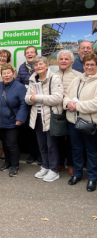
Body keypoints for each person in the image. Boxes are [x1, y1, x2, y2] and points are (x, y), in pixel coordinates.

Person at [25, 56, 64, 182]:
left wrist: (37, 98)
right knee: (41, 145)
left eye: (40, 64)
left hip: (50, 116)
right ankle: (46, 167)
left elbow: (57, 98)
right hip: (37, 116)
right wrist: (32, 98)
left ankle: (54, 170)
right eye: (36, 65)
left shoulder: (54, 77)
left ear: (47, 65)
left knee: (51, 145)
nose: (38, 67)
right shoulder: (32, 79)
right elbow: (27, 99)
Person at [63, 53, 97, 192]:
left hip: (89, 123)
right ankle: (77, 174)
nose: (89, 67)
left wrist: (76, 106)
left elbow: (95, 104)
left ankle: (92, 178)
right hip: (73, 121)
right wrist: (68, 103)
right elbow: (66, 95)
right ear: (83, 65)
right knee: (76, 149)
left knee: (91, 151)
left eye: (92, 64)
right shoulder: (77, 79)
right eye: (87, 64)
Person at [0, 64, 29, 177]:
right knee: (4, 143)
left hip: (13, 121)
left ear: (13, 74)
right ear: (1, 75)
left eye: (8, 73)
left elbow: (24, 104)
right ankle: (7, 162)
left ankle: (15, 165)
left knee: (12, 144)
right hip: (0, 121)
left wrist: (20, 118)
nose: (6, 75)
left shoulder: (20, 87)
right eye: (4, 73)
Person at [55, 50, 82, 176]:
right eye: (61, 59)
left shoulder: (78, 76)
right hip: (57, 112)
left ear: (72, 61)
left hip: (71, 113)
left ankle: (71, 164)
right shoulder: (52, 75)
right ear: (58, 61)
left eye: (66, 59)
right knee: (58, 139)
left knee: (72, 141)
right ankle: (60, 162)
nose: (63, 61)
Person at [0, 50, 17, 160]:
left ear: (8, 58)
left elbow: (13, 84)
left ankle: (5, 150)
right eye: (1, 56)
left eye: (5, 56)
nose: (2, 58)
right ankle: (0, 148)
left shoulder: (12, 69)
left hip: (5, 100)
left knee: (4, 125)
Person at [16, 46, 41, 165]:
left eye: (32, 52)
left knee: (40, 130)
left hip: (40, 102)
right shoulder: (22, 67)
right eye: (27, 53)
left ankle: (41, 155)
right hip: (27, 102)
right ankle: (32, 153)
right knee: (29, 131)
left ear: (36, 54)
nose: (29, 54)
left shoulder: (41, 66)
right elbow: (18, 83)